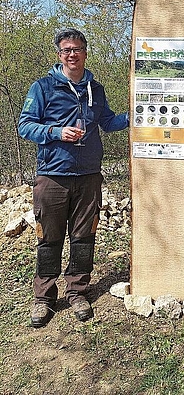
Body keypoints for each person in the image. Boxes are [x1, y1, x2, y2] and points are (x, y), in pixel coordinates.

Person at [18, 28, 129, 328]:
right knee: (49, 239)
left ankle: (77, 291)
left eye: (77, 49)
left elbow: (108, 122)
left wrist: (137, 114)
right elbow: (25, 126)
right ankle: (44, 298)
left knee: (83, 238)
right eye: (66, 49)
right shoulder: (42, 88)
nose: (72, 54)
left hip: (89, 176)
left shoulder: (96, 89)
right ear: (59, 54)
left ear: (85, 52)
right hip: (52, 176)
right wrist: (56, 132)